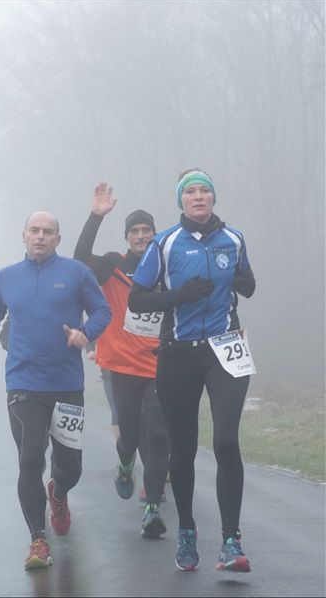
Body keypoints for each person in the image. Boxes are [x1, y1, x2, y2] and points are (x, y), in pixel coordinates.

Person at [0, 211, 111, 570]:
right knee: (29, 457)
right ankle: (38, 540)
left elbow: (102, 311)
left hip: (67, 384)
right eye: (34, 230)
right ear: (24, 235)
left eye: (48, 232)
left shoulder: (76, 273)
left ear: (58, 239)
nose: (40, 236)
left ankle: (58, 491)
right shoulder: (6, 277)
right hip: (23, 383)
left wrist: (86, 334)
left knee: (70, 467)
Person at [129, 169, 256, 572]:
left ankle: (231, 541)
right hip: (178, 353)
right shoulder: (165, 243)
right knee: (183, 448)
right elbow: (136, 300)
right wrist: (177, 296)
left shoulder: (234, 238)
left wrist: (245, 280)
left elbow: (248, 284)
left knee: (226, 442)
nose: (198, 197)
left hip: (225, 349)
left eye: (205, 191)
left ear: (213, 198)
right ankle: (186, 529)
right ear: (181, 201)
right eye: (191, 192)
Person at [74, 183, 171, 538]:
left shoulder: (167, 269)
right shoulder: (113, 265)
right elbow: (80, 259)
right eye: (135, 231)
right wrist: (95, 216)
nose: (141, 235)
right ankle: (126, 463)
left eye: (147, 230)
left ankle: (152, 509)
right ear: (128, 237)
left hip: (161, 366)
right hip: (122, 366)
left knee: (158, 436)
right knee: (129, 434)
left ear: (155, 235)